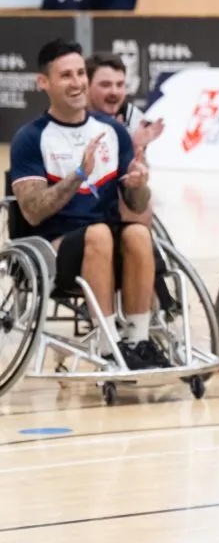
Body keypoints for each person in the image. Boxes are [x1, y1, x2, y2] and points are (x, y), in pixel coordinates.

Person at [9, 39, 165, 369]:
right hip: (55, 251)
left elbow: (135, 205)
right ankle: (109, 346)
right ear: (44, 82)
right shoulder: (30, 138)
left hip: (107, 241)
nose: (78, 82)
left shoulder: (113, 132)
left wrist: (140, 185)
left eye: (81, 73)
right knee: (98, 234)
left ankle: (139, 342)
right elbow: (33, 212)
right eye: (66, 75)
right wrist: (78, 174)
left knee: (138, 234)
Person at [85, 52, 164, 227]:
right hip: (82, 199)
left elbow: (138, 176)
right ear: (86, 86)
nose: (114, 92)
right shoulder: (74, 117)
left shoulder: (133, 117)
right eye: (105, 85)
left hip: (118, 200)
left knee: (142, 205)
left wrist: (137, 148)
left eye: (120, 85)